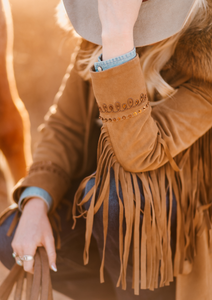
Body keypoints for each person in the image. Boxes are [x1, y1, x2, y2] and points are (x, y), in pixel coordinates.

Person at [0, 0, 212, 299]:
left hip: (169, 236)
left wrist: (118, 38)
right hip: (101, 218)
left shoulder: (206, 61)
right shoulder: (100, 31)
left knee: (118, 200)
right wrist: (36, 200)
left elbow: (139, 154)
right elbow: (66, 126)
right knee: (10, 231)